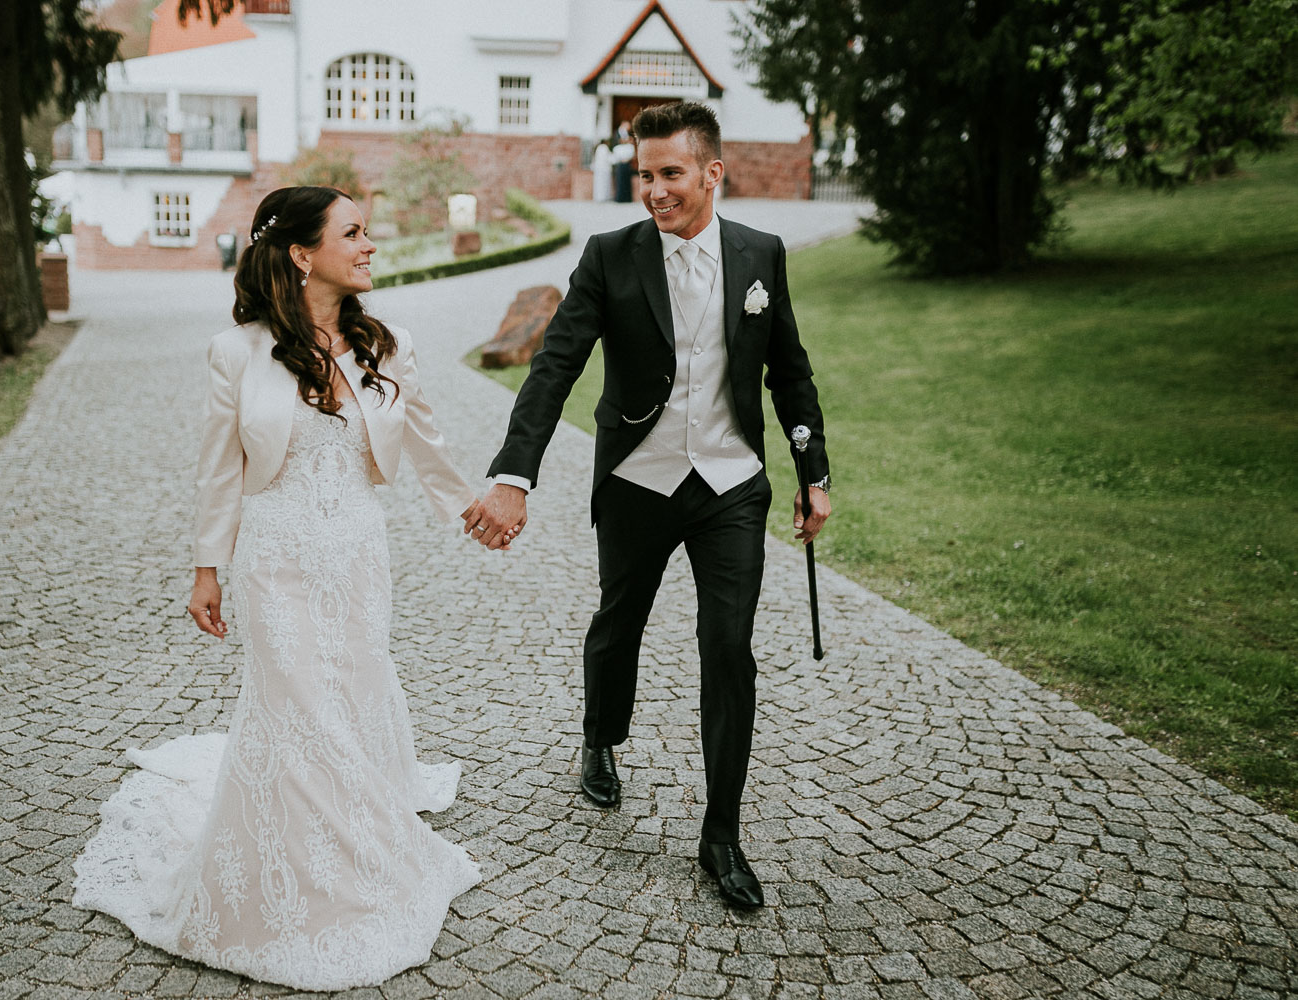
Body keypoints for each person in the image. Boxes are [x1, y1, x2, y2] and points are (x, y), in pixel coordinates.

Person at [73, 186, 509, 990]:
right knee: (296, 705)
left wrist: (472, 507)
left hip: (357, 556)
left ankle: (356, 848)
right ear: (304, 254)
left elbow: (427, 437)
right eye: (354, 233)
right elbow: (219, 467)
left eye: (368, 231)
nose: (371, 245)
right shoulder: (236, 352)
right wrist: (207, 567)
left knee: (350, 693)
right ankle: (302, 883)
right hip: (274, 558)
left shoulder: (387, 342)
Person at [464, 102, 831, 909]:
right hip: (639, 477)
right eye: (643, 173)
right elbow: (554, 366)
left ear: (711, 172)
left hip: (731, 486)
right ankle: (601, 739)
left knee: (728, 648)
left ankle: (721, 834)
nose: (654, 190)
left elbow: (790, 373)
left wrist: (815, 474)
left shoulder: (760, 253)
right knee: (618, 619)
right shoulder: (610, 256)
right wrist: (512, 475)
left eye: (670, 173)